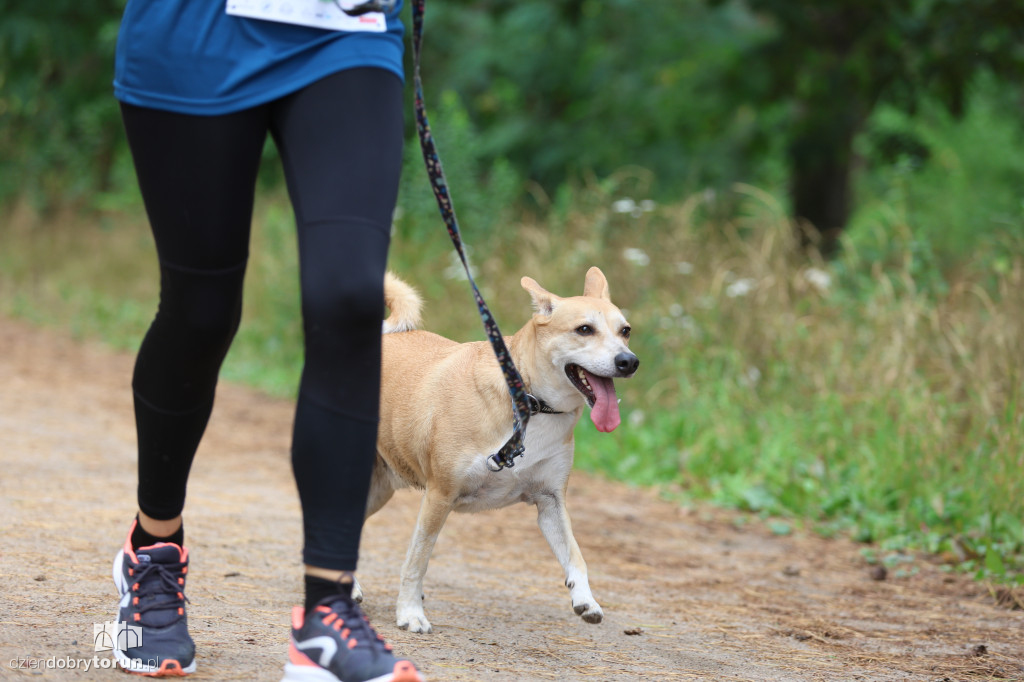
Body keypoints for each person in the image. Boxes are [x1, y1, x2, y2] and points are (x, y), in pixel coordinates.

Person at [109, 1, 422, 680]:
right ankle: (154, 550)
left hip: (345, 29)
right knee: (200, 311)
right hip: (193, 34)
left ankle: (327, 616)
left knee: (347, 298)